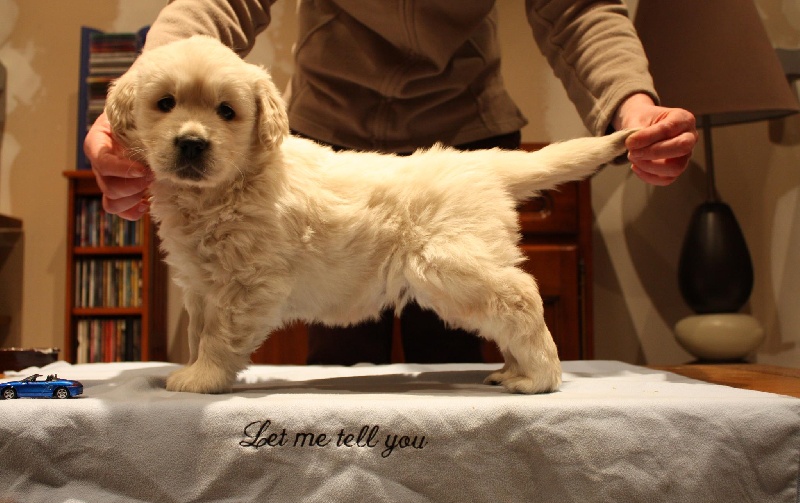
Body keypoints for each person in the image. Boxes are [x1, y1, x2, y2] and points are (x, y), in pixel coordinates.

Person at [84, 0, 697, 366]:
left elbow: (576, 7)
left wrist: (630, 103)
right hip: (326, 142)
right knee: (335, 369)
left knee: (458, 356)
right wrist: (135, 101)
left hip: (458, 144)